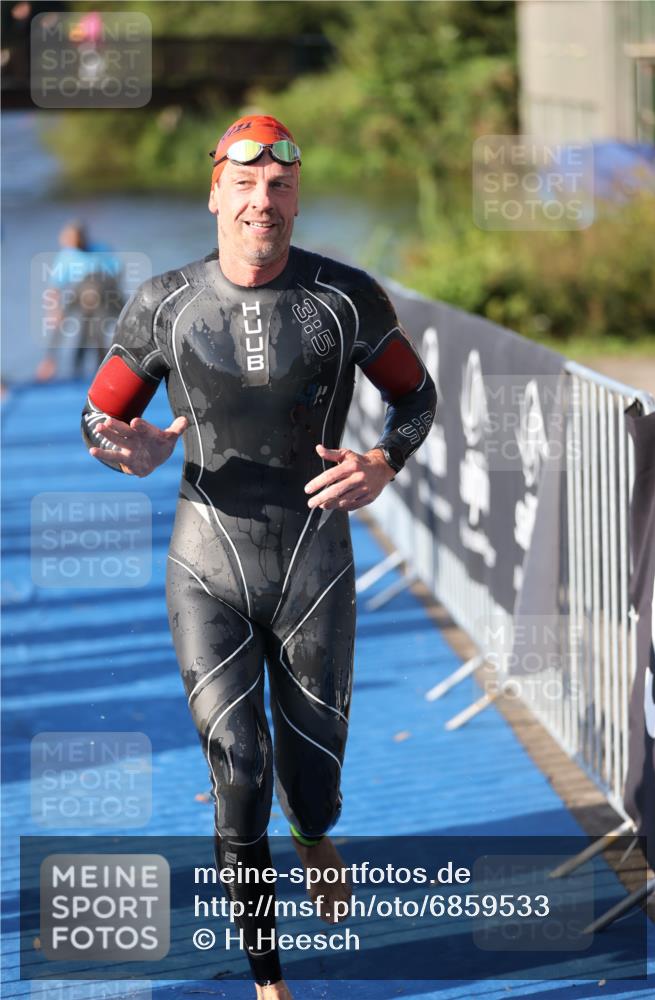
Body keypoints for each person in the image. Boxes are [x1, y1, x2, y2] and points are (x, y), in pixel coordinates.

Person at [80, 114, 437, 998]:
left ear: (295, 197)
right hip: (208, 560)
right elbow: (99, 414)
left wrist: (383, 461)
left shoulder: (345, 298)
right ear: (214, 193)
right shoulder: (163, 302)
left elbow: (416, 398)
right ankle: (266, 975)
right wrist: (126, 446)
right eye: (243, 185)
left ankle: (315, 834)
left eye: (278, 187)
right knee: (238, 765)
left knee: (311, 785)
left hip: (315, 564)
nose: (260, 202)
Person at [36, 221, 123, 381]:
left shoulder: (101, 249)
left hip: (104, 295)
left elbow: (117, 274)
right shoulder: (67, 255)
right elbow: (55, 287)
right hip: (81, 294)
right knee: (65, 326)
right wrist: (54, 311)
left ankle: (106, 370)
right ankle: (50, 363)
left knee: (99, 331)